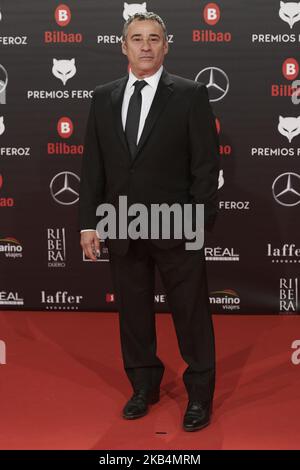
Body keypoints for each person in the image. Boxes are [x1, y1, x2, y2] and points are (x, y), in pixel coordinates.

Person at [79, 11, 220, 432]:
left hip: (178, 225)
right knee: (133, 314)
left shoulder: (191, 95)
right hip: (121, 225)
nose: (145, 45)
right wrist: (89, 223)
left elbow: (206, 166)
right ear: (123, 46)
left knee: (191, 315)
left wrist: (197, 222)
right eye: (137, 38)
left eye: (153, 38)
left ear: (165, 46)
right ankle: (143, 386)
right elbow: (93, 168)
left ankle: (199, 395)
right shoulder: (103, 96)